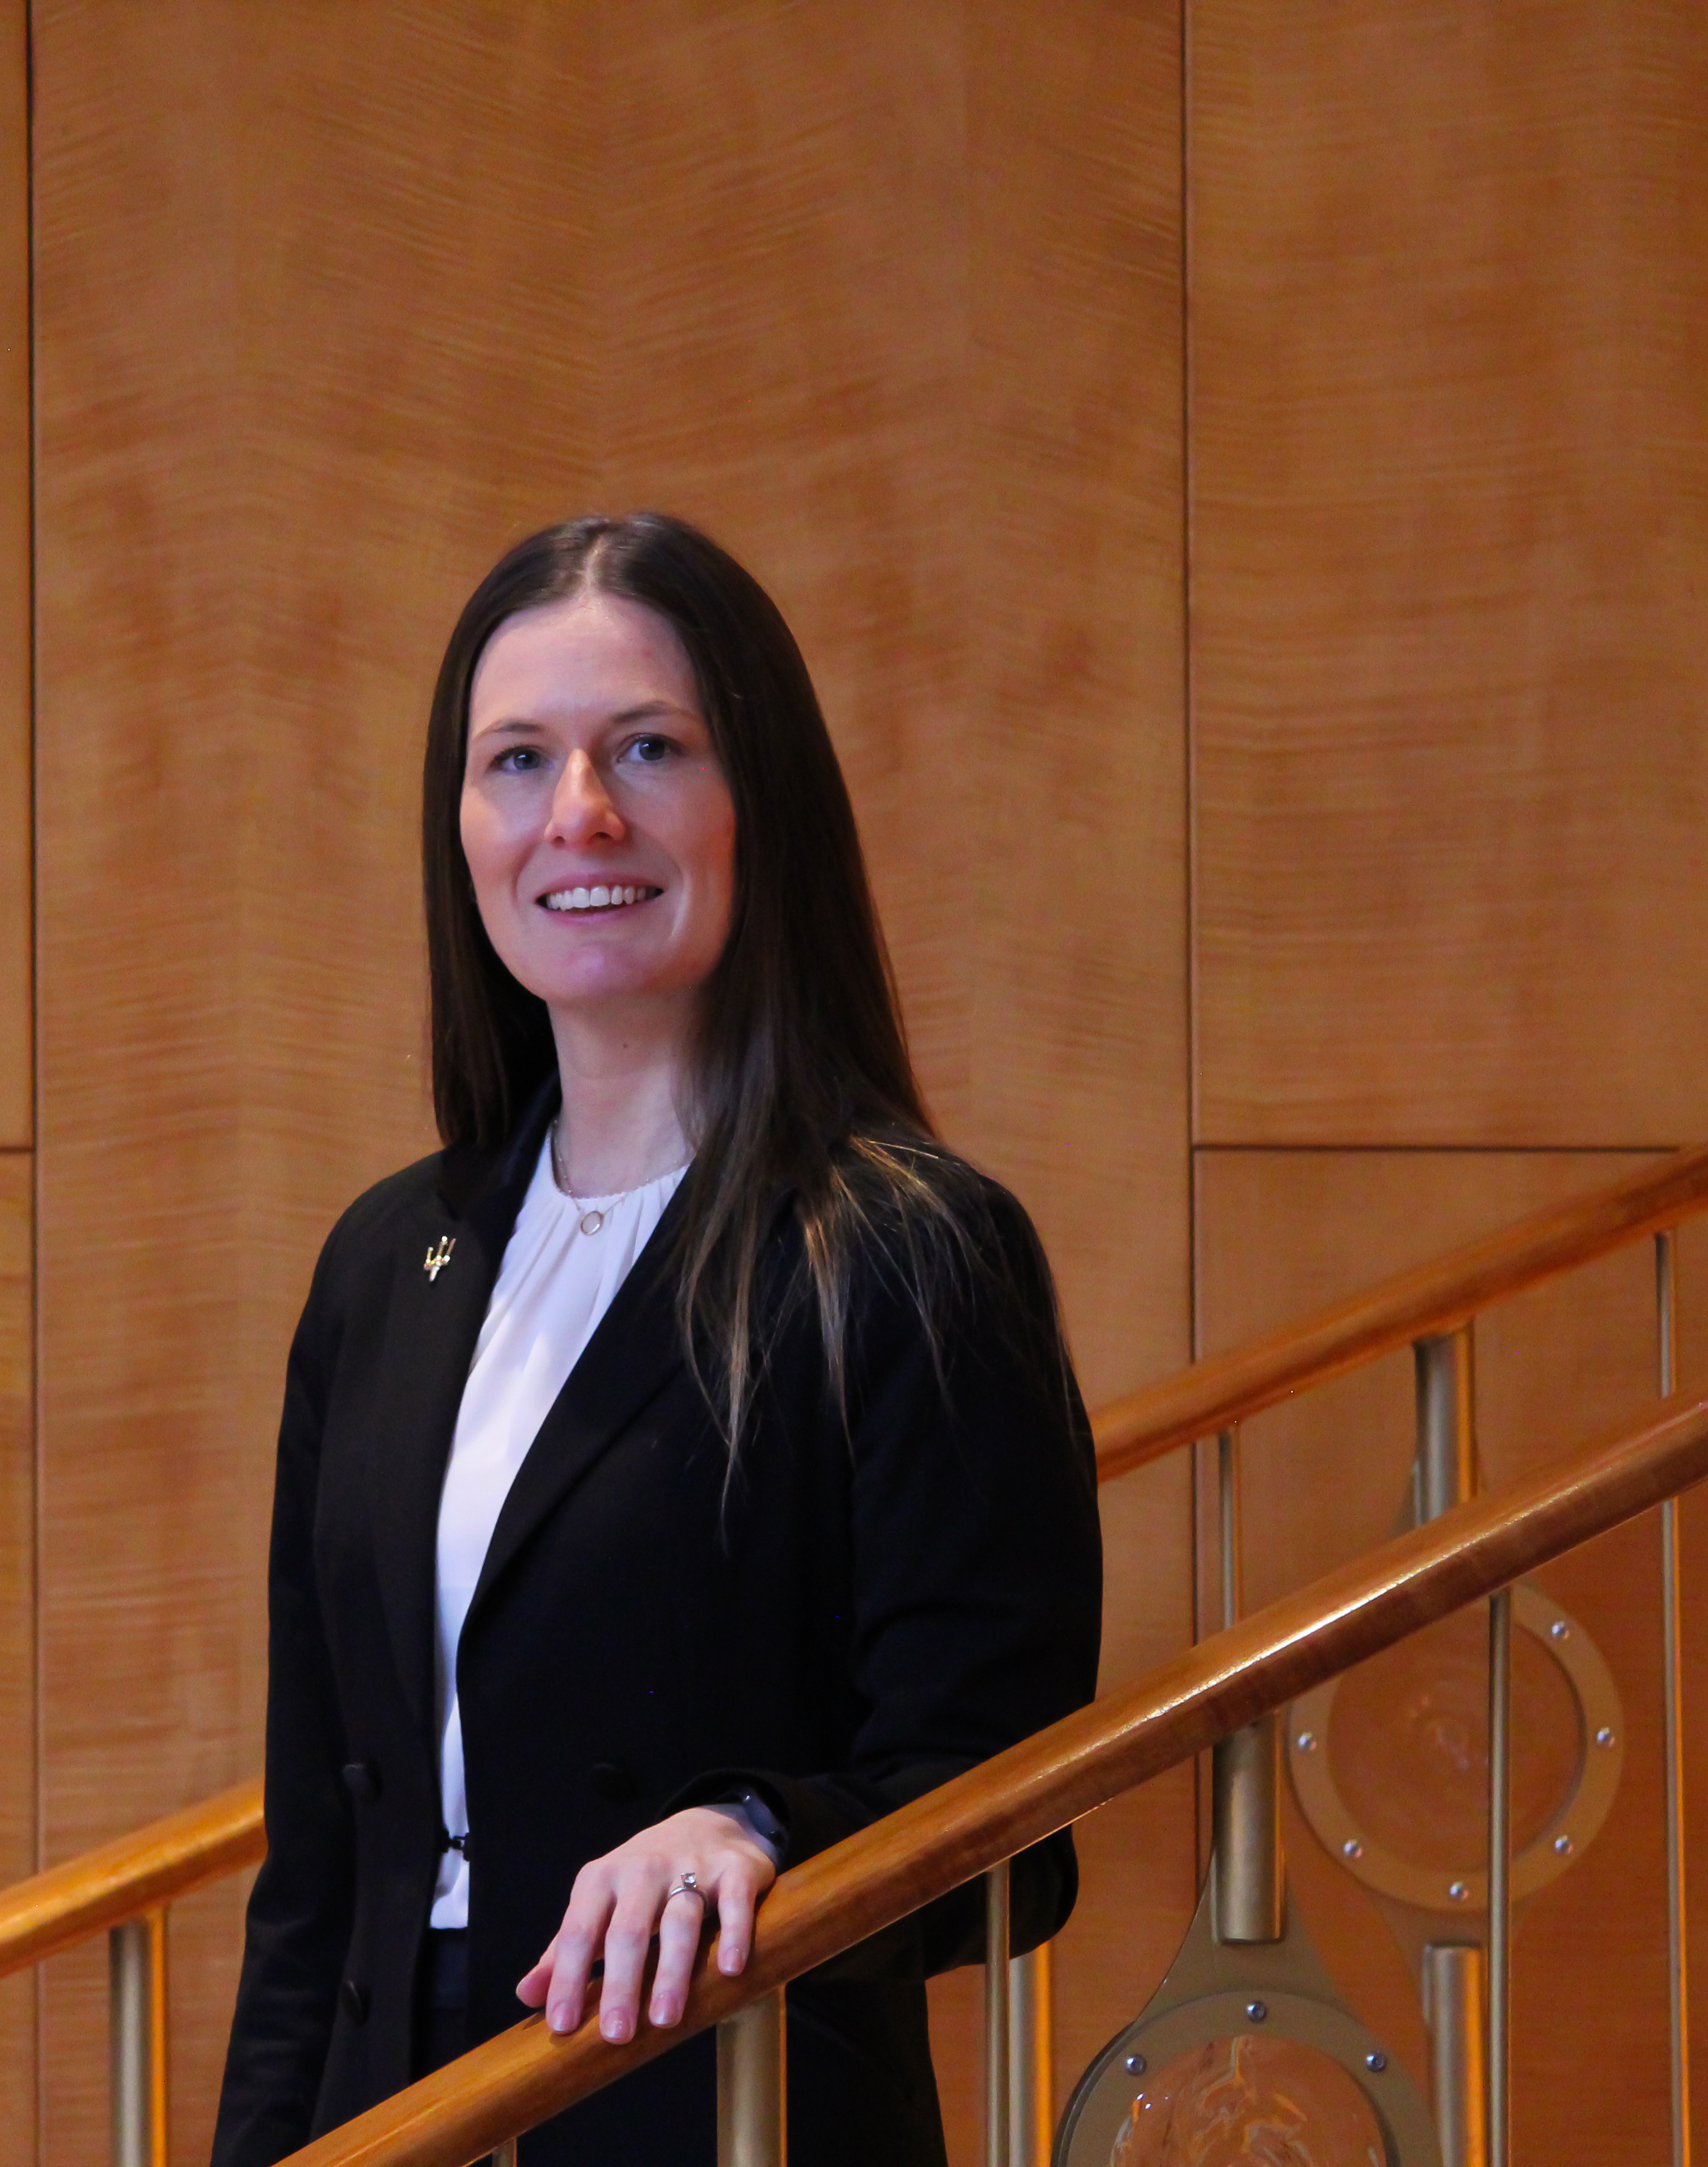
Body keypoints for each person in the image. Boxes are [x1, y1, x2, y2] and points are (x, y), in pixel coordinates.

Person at [211, 513, 1103, 2167]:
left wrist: (760, 1828)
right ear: (458, 827)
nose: (581, 816)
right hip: (393, 2120)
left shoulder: (906, 1253)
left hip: (721, 2120)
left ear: (759, 802)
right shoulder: (380, 1270)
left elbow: (1011, 1825)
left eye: (649, 748)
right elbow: (324, 1869)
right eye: (517, 761)